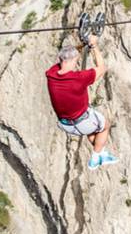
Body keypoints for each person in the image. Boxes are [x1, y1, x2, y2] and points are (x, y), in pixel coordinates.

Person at [45, 34, 119, 170]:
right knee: (105, 126)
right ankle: (95, 158)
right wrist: (94, 46)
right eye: (76, 60)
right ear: (74, 60)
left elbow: (64, 59)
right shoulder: (78, 78)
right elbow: (102, 68)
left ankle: (101, 154)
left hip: (66, 125)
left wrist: (81, 45)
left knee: (92, 131)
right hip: (81, 121)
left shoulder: (51, 74)